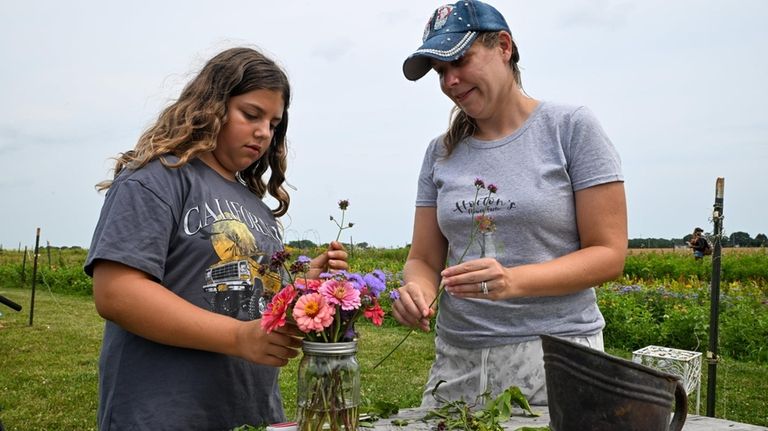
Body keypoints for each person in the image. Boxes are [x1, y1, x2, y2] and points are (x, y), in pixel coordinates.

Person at [84, 47, 348, 430]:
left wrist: (302, 284)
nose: (263, 132)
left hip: (248, 414)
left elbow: (255, 296)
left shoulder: (254, 205)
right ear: (210, 106)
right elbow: (117, 292)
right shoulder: (157, 178)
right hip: (163, 414)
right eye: (251, 114)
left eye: (274, 123)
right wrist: (239, 338)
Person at [391, 0, 628, 408]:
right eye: (440, 71)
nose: (450, 80)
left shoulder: (570, 128)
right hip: (458, 360)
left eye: (460, 61)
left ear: (503, 46)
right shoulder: (440, 153)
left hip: (557, 356)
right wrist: (417, 290)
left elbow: (608, 254)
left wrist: (514, 282)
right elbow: (425, 257)